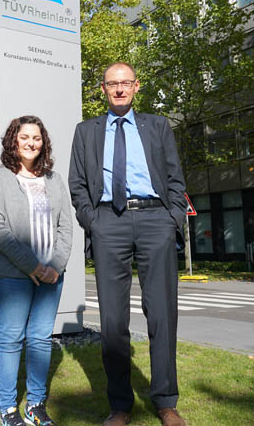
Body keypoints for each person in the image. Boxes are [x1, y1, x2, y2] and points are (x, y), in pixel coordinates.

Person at [68, 63, 188, 426]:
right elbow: (77, 185)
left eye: (125, 83)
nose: (119, 89)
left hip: (156, 220)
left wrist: (172, 220)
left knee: (162, 313)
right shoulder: (86, 131)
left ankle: (166, 401)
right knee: (113, 319)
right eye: (112, 84)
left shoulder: (158, 126)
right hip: (109, 223)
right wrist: (94, 222)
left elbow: (175, 178)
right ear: (102, 89)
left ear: (136, 86)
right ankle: (120, 405)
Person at [0, 116, 73, 426]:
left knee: (40, 340)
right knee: (10, 340)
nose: (31, 142)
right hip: (12, 274)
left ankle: (35, 405)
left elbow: (65, 226)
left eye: (37, 137)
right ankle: (8, 410)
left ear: (43, 143)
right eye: (25, 137)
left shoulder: (55, 180)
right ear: (13, 140)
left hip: (51, 275)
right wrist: (32, 266)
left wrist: (55, 266)